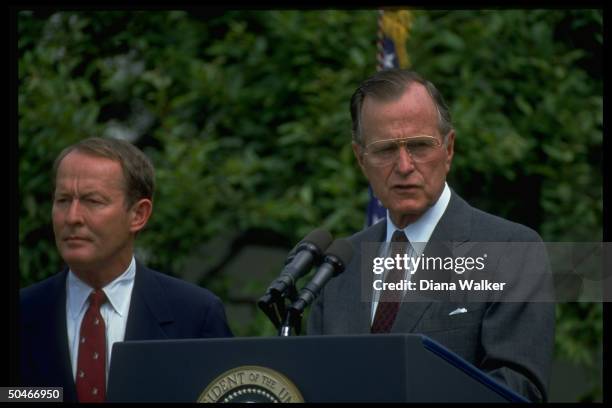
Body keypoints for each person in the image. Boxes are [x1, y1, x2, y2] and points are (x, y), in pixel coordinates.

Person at [307, 69, 555, 402]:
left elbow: (515, 390)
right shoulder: (338, 265)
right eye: (384, 150)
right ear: (360, 159)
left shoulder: (512, 251)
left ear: (449, 148)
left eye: (420, 146)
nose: (405, 165)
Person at [20, 137, 233, 402]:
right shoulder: (25, 312)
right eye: (63, 200)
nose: (72, 217)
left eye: (92, 201)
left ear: (138, 215)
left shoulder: (195, 315)